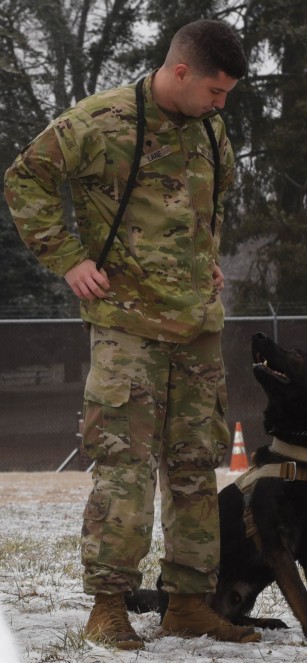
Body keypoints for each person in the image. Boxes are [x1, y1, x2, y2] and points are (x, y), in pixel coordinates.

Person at [4, 20, 261, 650]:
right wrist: (67, 257)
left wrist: (208, 257)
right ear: (179, 73)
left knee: (197, 465)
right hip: (127, 328)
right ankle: (109, 606)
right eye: (215, 90)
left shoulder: (210, 128)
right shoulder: (101, 121)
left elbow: (214, 198)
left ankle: (189, 603)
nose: (221, 103)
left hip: (197, 327)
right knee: (124, 467)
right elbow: (24, 178)